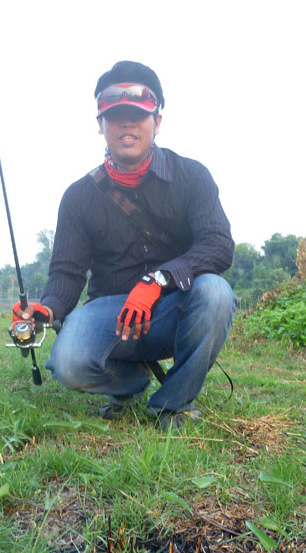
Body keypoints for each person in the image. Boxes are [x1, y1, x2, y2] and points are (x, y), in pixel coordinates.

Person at [13, 60, 236, 431]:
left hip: (173, 310)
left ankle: (173, 404)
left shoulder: (192, 176)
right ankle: (130, 384)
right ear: (100, 125)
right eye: (115, 116)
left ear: (158, 122)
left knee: (216, 292)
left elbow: (218, 245)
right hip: (113, 316)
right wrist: (47, 310)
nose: (127, 124)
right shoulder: (78, 197)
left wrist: (158, 281)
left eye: (138, 114)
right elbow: (67, 273)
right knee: (67, 363)